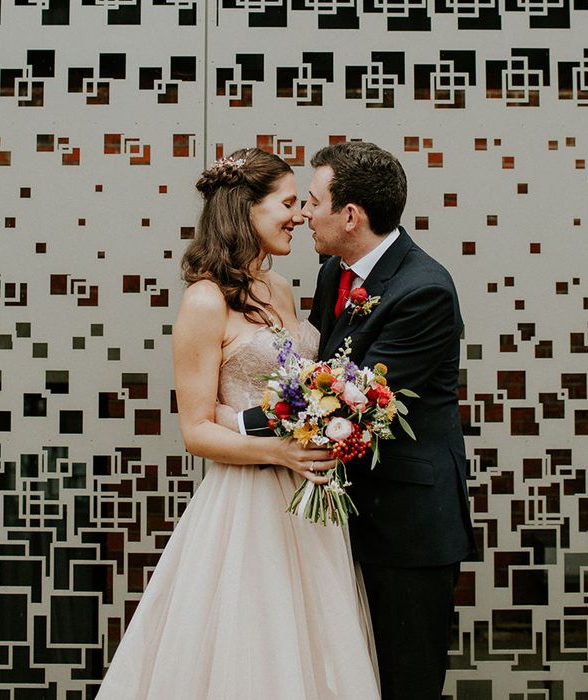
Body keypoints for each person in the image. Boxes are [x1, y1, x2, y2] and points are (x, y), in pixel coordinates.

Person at [95, 148, 381, 699]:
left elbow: (293, 390)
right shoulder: (204, 302)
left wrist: (321, 423)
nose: (299, 216)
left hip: (306, 499)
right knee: (251, 645)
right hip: (246, 503)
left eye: (303, 204)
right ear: (246, 209)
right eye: (289, 203)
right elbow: (196, 429)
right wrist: (281, 452)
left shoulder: (281, 289)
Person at [239, 141, 476, 699]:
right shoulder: (331, 274)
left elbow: (347, 402)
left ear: (351, 215)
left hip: (405, 524)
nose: (303, 215)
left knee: (403, 681)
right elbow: (314, 372)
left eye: (313, 201)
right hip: (338, 519)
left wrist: (229, 423)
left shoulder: (424, 290)